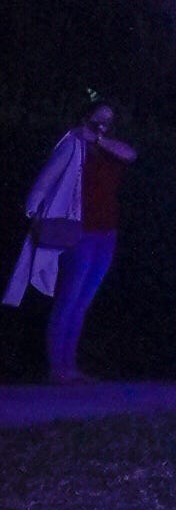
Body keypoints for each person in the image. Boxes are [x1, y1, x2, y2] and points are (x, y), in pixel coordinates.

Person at [9, 100, 137, 381]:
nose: (103, 125)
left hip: (106, 233)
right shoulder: (73, 145)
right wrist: (33, 213)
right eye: (97, 119)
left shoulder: (111, 149)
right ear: (85, 119)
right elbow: (45, 181)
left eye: (108, 120)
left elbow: (131, 154)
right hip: (79, 231)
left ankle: (69, 366)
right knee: (69, 299)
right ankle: (58, 368)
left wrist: (98, 139)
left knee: (82, 303)